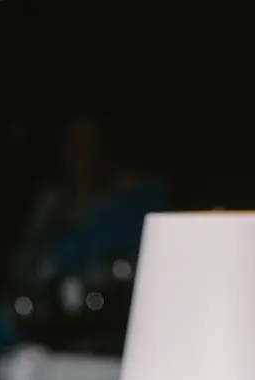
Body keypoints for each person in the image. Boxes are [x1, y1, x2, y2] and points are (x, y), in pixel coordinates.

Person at [11, 113, 164, 289]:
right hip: (50, 299)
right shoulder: (50, 201)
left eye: (87, 142)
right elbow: (23, 263)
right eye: (72, 141)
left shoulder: (118, 202)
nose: (79, 151)